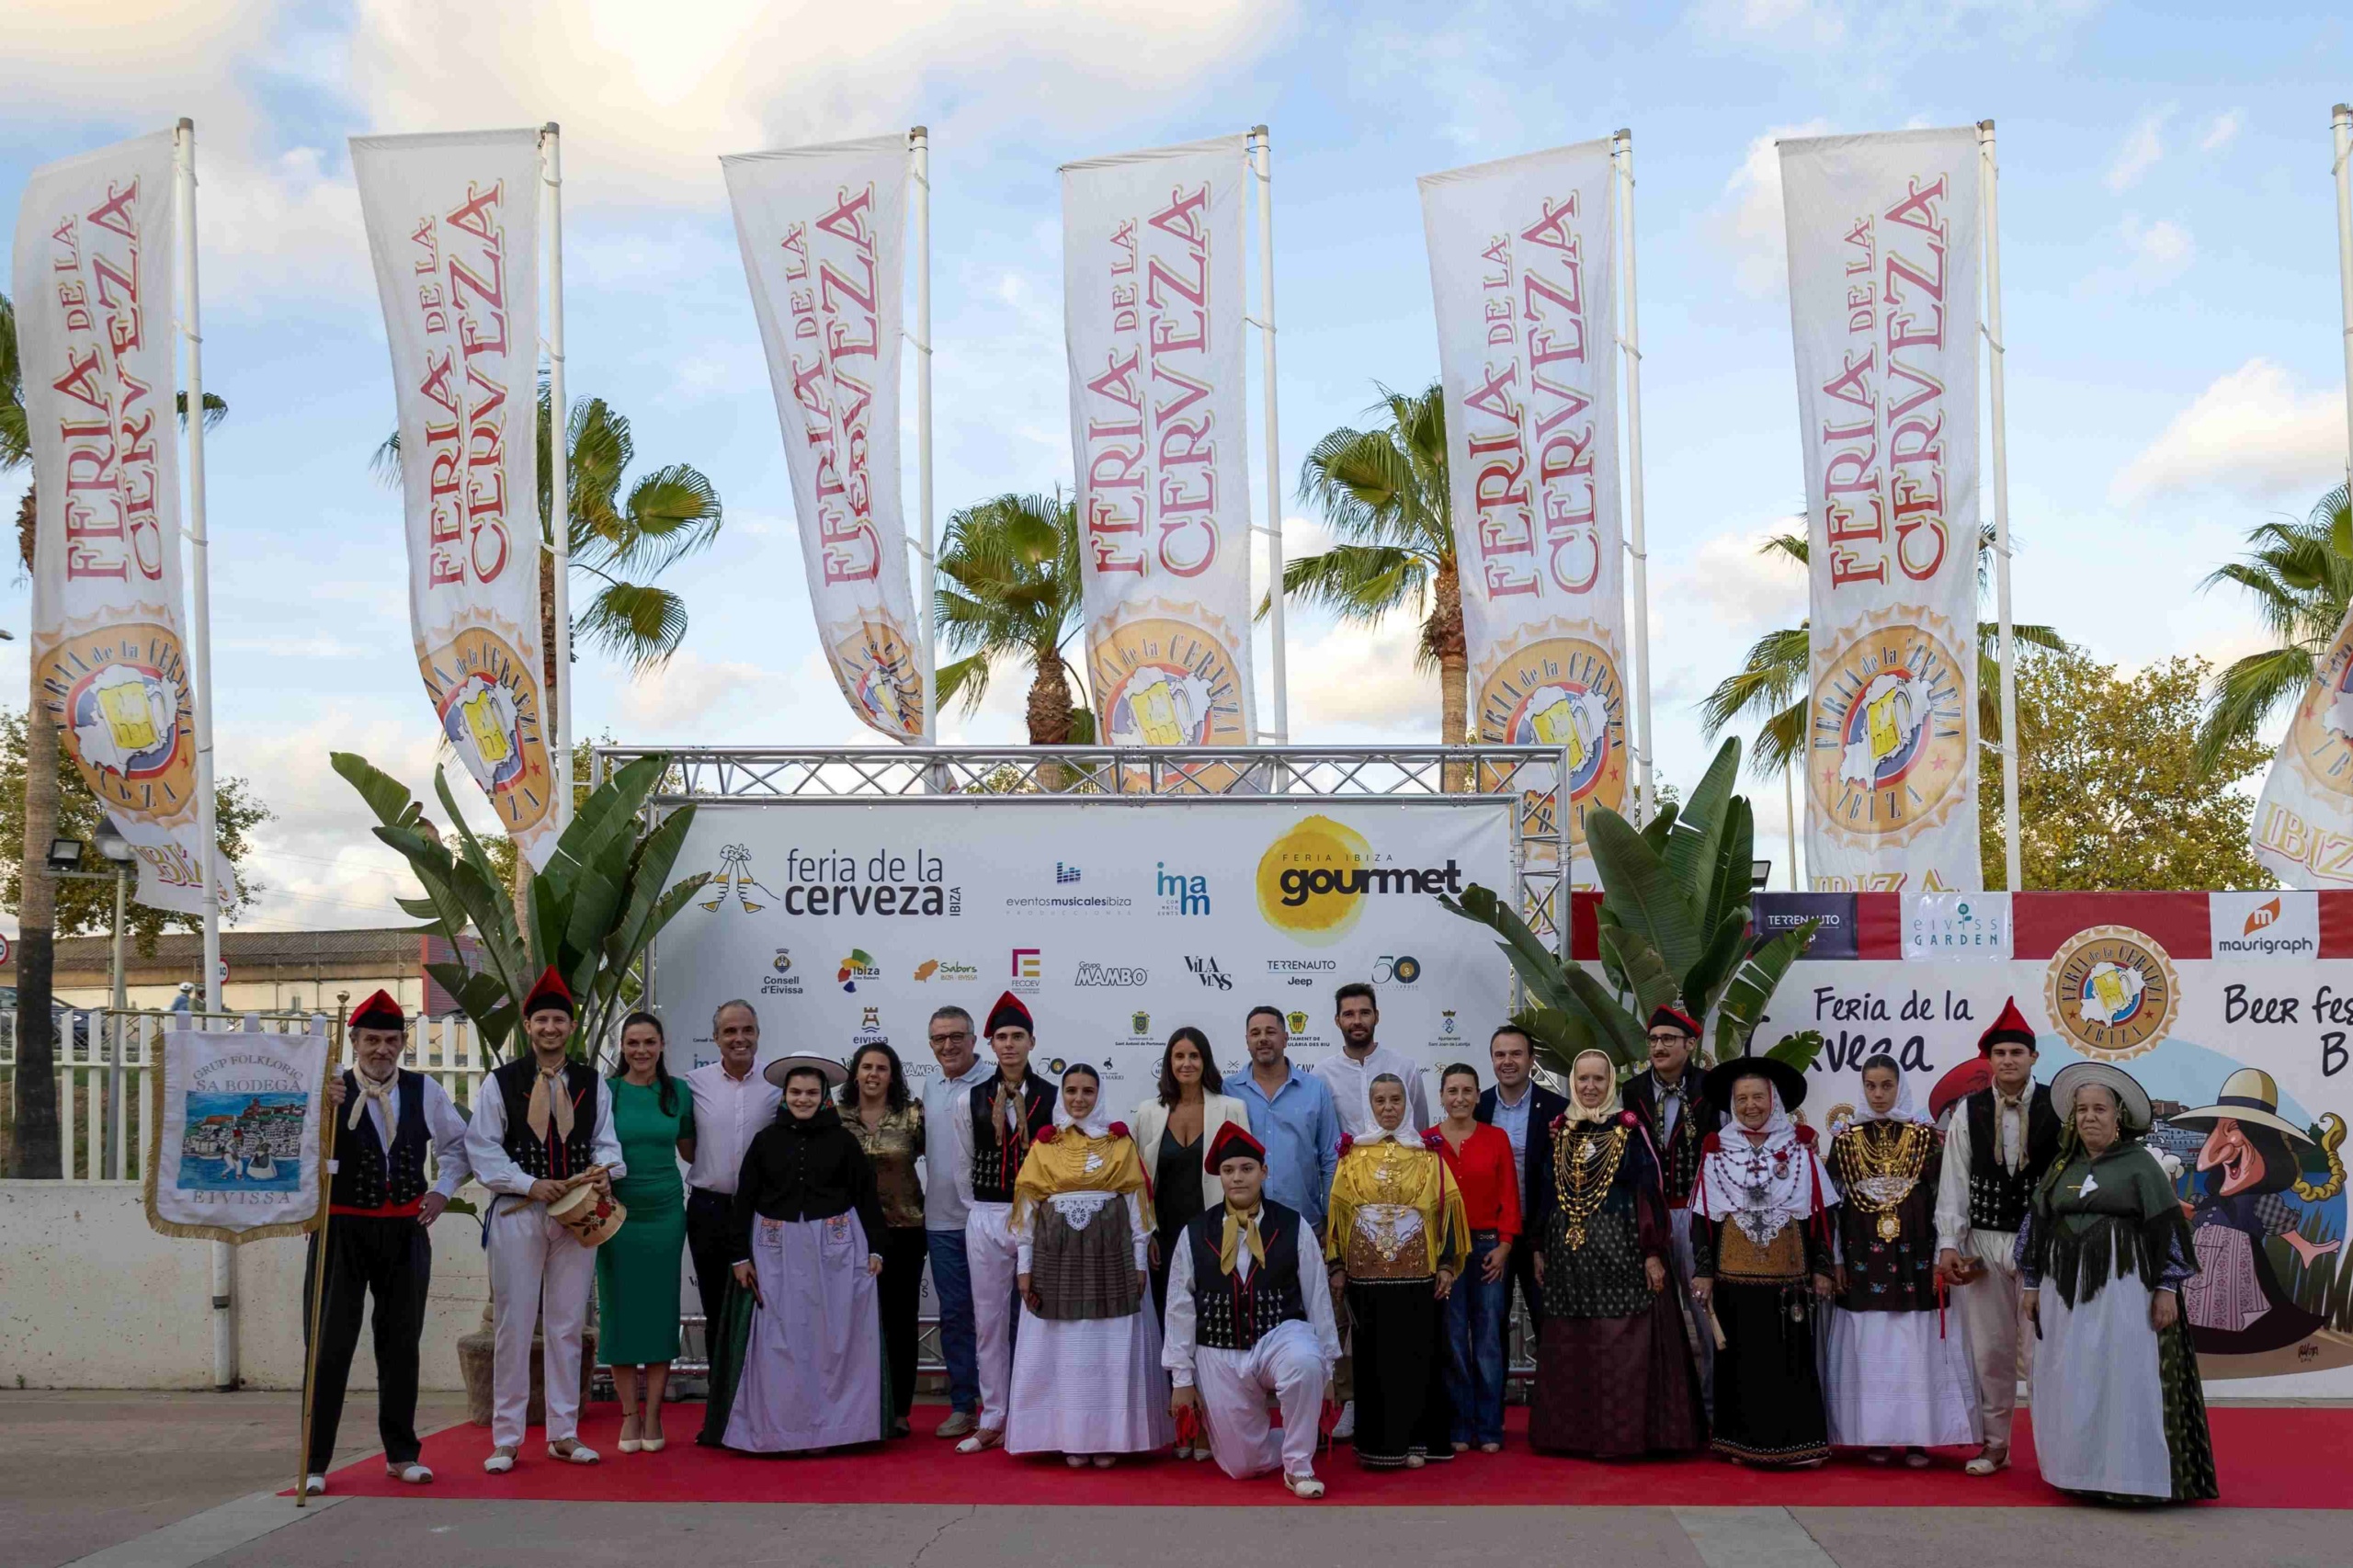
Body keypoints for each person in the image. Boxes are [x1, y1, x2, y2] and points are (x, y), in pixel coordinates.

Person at [2019, 1062, 2219, 1504]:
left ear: (2118, 1117)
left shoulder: (2141, 1167)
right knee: (2072, 1378)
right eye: (2083, 1109)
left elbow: (2168, 1232)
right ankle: (2076, 1472)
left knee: (2123, 1378)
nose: (2090, 1117)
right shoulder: (2060, 1168)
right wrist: (2032, 1284)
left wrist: (2167, 1289)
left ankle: (2131, 1481)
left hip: (2125, 1295)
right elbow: (2036, 1229)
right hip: (2064, 1298)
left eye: (2100, 1109)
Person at [303, 990, 472, 1494]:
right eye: (372, 1039)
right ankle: (314, 1462)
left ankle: (401, 1453)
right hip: (340, 1229)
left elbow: (459, 1146)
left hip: (405, 1230)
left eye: (391, 1040)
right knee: (328, 1345)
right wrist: (320, 1111)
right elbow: (292, 1149)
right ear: (353, 1041)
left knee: (400, 1344)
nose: (382, 1049)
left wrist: (442, 1192)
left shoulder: (425, 1091)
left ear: (402, 1043)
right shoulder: (325, 1087)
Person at [465, 967, 624, 1472]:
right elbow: (482, 1148)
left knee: (567, 1323)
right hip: (518, 1211)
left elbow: (607, 1143)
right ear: (528, 1027)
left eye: (559, 1019)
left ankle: (565, 1432)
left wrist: (602, 1174)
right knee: (514, 1323)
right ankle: (507, 1437)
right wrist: (528, 1184)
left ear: (570, 1027)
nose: (550, 1028)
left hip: (576, 1214)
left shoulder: (593, 1083)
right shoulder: (501, 1082)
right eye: (541, 1020)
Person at [703, 1054, 888, 1453]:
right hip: (774, 1250)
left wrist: (876, 1248)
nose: (803, 1099)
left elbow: (866, 1196)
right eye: (795, 1093)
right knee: (779, 1341)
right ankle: (780, 1429)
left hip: (836, 1249)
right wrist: (739, 1256)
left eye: (811, 1093)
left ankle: (832, 1430)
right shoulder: (766, 1141)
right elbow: (745, 1199)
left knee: (831, 1340)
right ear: (784, 1097)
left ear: (824, 1098)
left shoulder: (843, 1141)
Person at [1528, 1049, 1705, 1459]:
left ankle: (1625, 1438)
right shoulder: (1561, 1132)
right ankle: (1574, 1438)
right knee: (1576, 1344)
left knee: (1621, 1345)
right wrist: (1537, 1247)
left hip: (1623, 1257)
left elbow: (1648, 1194)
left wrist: (1652, 1252)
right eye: (1583, 1080)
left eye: (1599, 1080)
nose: (1590, 1088)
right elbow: (1546, 1196)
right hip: (1570, 1262)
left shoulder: (1629, 1131)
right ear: (1573, 1083)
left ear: (1611, 1085)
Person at [1165, 1122, 1341, 1500]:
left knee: (1305, 1361)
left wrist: (1327, 1369)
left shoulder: (1293, 1225)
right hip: (1219, 1347)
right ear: (1219, 1176)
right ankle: (1284, 1436)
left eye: (1246, 1169)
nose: (1237, 1178)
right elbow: (1179, 1307)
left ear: (1264, 1171)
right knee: (1241, 1467)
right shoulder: (1195, 1232)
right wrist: (1182, 1379)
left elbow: (1317, 1297)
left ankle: (1298, 1465)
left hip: (1280, 1336)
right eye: (1229, 1171)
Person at [1007, 1063, 1172, 1465]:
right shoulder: (1044, 1147)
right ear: (1061, 1095)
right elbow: (1027, 1212)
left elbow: (1137, 1210)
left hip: (1110, 1258)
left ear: (1100, 1095)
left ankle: (1109, 1438)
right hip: (1054, 1258)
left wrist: (1137, 1264)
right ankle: (1068, 1436)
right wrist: (1023, 1269)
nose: (1079, 1099)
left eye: (1088, 1091)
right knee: (1063, 1350)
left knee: (1107, 1349)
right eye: (1071, 1091)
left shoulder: (1119, 1144)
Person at [1821, 1055, 1981, 1464]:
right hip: (1861, 1258)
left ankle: (1916, 1437)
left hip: (1914, 1257)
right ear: (1862, 1088)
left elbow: (1945, 1198)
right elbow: (1833, 1209)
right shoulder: (1845, 1139)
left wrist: (1946, 1248)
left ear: (1900, 1086)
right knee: (1870, 1338)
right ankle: (1873, 1435)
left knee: (1914, 1341)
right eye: (1871, 1086)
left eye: (1886, 1085)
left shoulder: (1925, 1138)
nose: (1878, 1094)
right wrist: (1835, 1259)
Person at [1690, 1054, 1839, 1469]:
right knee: (1741, 1363)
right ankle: (1741, 1445)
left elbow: (1820, 1214)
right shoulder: (1717, 1150)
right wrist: (1704, 1271)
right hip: (1733, 1277)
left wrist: (1823, 1268)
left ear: (1773, 1100)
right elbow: (1702, 1217)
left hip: (1788, 1279)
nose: (1750, 1105)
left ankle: (1795, 1447)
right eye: (1742, 1099)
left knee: (1789, 1361)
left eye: (1758, 1097)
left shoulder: (1799, 1148)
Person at [1932, 998, 2058, 1476]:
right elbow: (1955, 1179)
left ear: (2033, 1058)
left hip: (2040, 1244)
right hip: (1984, 1241)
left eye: (2017, 1053)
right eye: (2001, 1053)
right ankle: (1994, 1446)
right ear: (1990, 1060)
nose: (2008, 1060)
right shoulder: (1969, 1110)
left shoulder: (2058, 1105)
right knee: (1991, 1353)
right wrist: (1949, 1243)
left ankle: (2054, 1448)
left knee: (2042, 1352)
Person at [1325, 1073, 1469, 1469]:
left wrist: (1445, 1265)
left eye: (1395, 1101)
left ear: (1407, 1105)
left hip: (1418, 1277)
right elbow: (1338, 1216)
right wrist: (1337, 1265)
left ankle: (1419, 1442)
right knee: (1374, 1361)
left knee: (1418, 1357)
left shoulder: (1427, 1155)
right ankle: (1381, 1445)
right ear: (1369, 1106)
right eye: (1380, 1101)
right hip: (1367, 1279)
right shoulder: (1352, 1157)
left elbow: (1446, 1211)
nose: (1388, 1108)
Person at [958, 992, 1057, 1453]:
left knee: (1042, 1316)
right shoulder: (970, 1098)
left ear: (1033, 1042)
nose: (1011, 1044)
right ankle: (994, 1415)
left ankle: (1041, 1412)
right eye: (1002, 1037)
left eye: (1018, 1036)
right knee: (989, 1320)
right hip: (986, 1213)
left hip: (1039, 1218)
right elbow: (963, 1161)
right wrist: (980, 1210)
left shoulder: (1055, 1099)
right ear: (990, 1044)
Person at [597, 1011, 696, 1455]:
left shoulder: (680, 1093)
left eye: (649, 1042)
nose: (641, 1050)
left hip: (665, 1213)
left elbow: (692, 1150)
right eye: (633, 1042)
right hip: (615, 1214)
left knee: (659, 1312)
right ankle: (629, 1415)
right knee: (619, 1313)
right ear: (623, 1047)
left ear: (661, 1045)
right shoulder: (608, 1091)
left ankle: (654, 1414)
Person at [1622, 1005, 1722, 1403]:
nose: (1659, 1046)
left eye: (1668, 1039)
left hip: (1699, 1215)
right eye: (1654, 1040)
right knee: (1652, 1316)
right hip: (1649, 1216)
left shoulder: (1711, 1088)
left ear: (1690, 1044)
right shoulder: (1632, 1091)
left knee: (1706, 1311)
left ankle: (1716, 1408)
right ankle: (1667, 1411)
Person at [682, 1000, 781, 1368]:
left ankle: (764, 1401)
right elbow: (688, 1147)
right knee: (716, 1307)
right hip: (709, 1210)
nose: (739, 1039)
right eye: (730, 1031)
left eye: (747, 1030)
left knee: (766, 1305)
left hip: (763, 1211)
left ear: (757, 1033)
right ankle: (720, 1407)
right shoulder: (694, 1084)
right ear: (715, 1038)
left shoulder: (779, 1082)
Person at [1428, 1062, 1520, 1453]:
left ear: (1477, 1095)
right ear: (1442, 1097)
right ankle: (1460, 1426)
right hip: (1446, 1252)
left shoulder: (1496, 1137)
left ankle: (1490, 1427)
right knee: (1451, 1339)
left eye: (1467, 1091)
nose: (1460, 1098)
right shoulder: (1427, 1141)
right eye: (1453, 1091)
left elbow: (1509, 1195)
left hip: (1487, 1248)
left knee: (1486, 1341)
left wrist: (1504, 1246)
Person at [1133, 1027, 1251, 1332]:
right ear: (1168, 1062)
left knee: (1212, 1318)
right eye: (1179, 1056)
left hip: (1215, 1232)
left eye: (1194, 1056)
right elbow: (1138, 1183)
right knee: (1167, 1318)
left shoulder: (1231, 1109)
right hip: (1164, 1238)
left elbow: (1246, 1178)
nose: (1187, 1063)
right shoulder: (1148, 1112)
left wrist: (1238, 1232)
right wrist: (1147, 1237)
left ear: (1206, 1061)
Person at [842, 1040, 926, 1437]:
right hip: (847, 1236)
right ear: (854, 1072)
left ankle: (899, 1410)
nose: (873, 1074)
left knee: (899, 1321)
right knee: (851, 1323)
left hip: (904, 1231)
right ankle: (856, 1407)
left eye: (882, 1068)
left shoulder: (912, 1116)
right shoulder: (835, 1117)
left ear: (893, 1076)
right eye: (867, 1066)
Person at [920, 1004, 994, 1439]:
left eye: (955, 1037)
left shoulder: (996, 1081)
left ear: (973, 1040)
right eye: (938, 1038)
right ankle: (964, 1405)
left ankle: (1008, 1406)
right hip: (941, 1222)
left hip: (992, 1218)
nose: (947, 1045)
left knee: (1001, 1315)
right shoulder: (929, 1085)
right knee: (955, 1315)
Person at [1473, 1024, 1568, 1333]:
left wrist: (1543, 1238)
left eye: (1516, 1053)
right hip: (1493, 1235)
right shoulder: (1478, 1107)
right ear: (1491, 1060)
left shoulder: (1559, 1109)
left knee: (1549, 1324)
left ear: (1531, 1058)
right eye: (1500, 1054)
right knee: (1491, 1326)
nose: (1507, 1061)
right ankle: (1494, 1383)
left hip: (1541, 1235)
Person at [1229, 1006, 1342, 1238]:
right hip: (1241, 1226)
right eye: (1255, 1033)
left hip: (1303, 1225)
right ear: (1247, 1041)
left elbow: (1331, 1159)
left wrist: (1330, 1217)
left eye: (1270, 1032)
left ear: (1285, 1038)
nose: (1262, 1039)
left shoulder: (1314, 1090)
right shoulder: (1228, 1091)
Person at [1315, 982, 1430, 1137]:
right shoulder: (1322, 1075)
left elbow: (1420, 1130)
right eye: (1349, 1014)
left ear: (1376, 1016)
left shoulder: (1405, 1068)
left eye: (1364, 1013)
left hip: (1402, 1161)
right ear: (1337, 1021)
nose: (1357, 1021)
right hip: (1345, 1161)